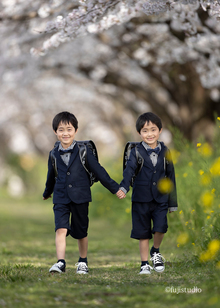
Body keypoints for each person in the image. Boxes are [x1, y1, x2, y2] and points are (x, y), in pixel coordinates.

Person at [43, 111, 123, 274]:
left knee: (81, 232)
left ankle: (82, 261)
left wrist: (115, 188)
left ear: (76, 131)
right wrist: (47, 192)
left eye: (69, 129)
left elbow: (99, 171)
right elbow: (51, 175)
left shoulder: (84, 151)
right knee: (61, 229)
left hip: (81, 197)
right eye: (61, 130)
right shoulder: (53, 154)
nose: (65, 133)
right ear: (55, 132)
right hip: (60, 197)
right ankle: (60, 262)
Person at [117, 112, 178, 274]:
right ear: (139, 133)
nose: (149, 134)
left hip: (161, 198)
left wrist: (172, 202)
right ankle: (144, 263)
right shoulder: (135, 152)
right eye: (145, 131)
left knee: (161, 227)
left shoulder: (166, 152)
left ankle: (155, 251)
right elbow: (129, 171)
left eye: (153, 130)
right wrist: (124, 187)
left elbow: (171, 177)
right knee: (143, 232)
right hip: (140, 198)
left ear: (160, 131)